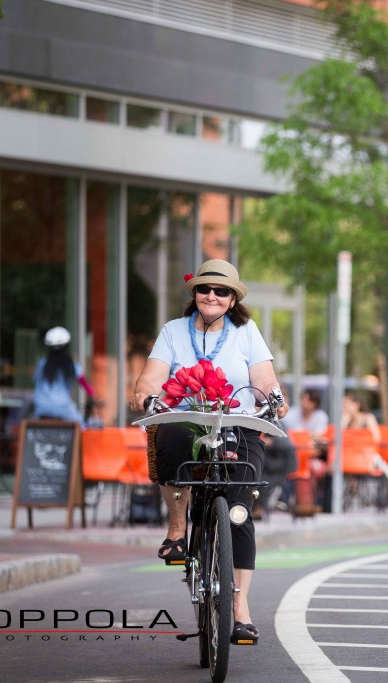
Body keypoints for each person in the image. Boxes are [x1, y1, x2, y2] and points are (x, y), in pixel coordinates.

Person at [128, 259, 289, 646]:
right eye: (205, 289)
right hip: (186, 418)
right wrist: (146, 392)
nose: (211, 296)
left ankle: (240, 610)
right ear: (194, 294)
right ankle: (178, 530)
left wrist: (274, 397)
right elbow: (151, 376)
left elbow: (264, 379)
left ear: (233, 299)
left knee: (239, 512)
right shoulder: (172, 331)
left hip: (237, 420)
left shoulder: (246, 331)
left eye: (221, 291)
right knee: (169, 437)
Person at [32, 326, 93, 424]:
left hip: (41, 407)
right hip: (63, 407)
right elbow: (85, 384)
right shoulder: (72, 365)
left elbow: (36, 382)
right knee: (82, 426)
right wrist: (92, 394)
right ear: (67, 346)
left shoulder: (42, 364)